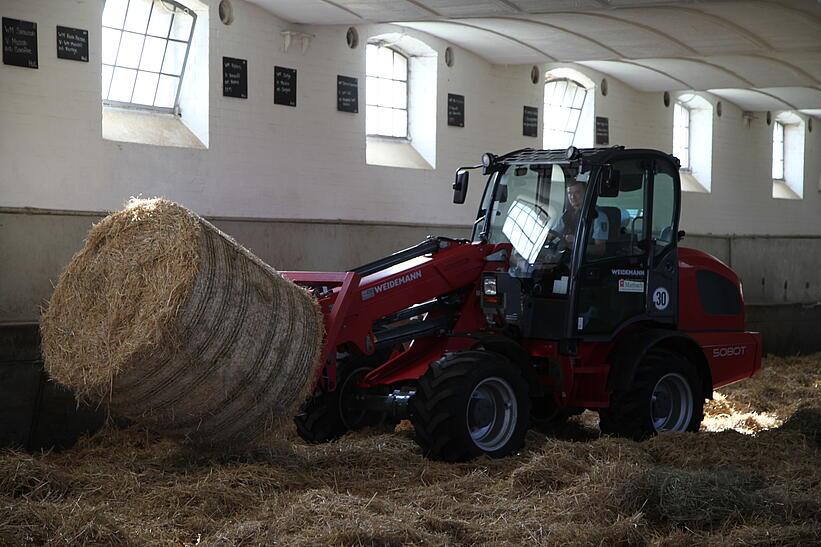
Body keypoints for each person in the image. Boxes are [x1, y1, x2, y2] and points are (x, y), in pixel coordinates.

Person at [548, 181, 608, 256]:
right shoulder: (567, 214)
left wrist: (576, 241)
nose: (572, 197)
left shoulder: (598, 216)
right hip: (563, 257)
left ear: (586, 194)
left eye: (577, 192)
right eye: (570, 193)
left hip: (583, 261)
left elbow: (600, 250)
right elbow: (553, 234)